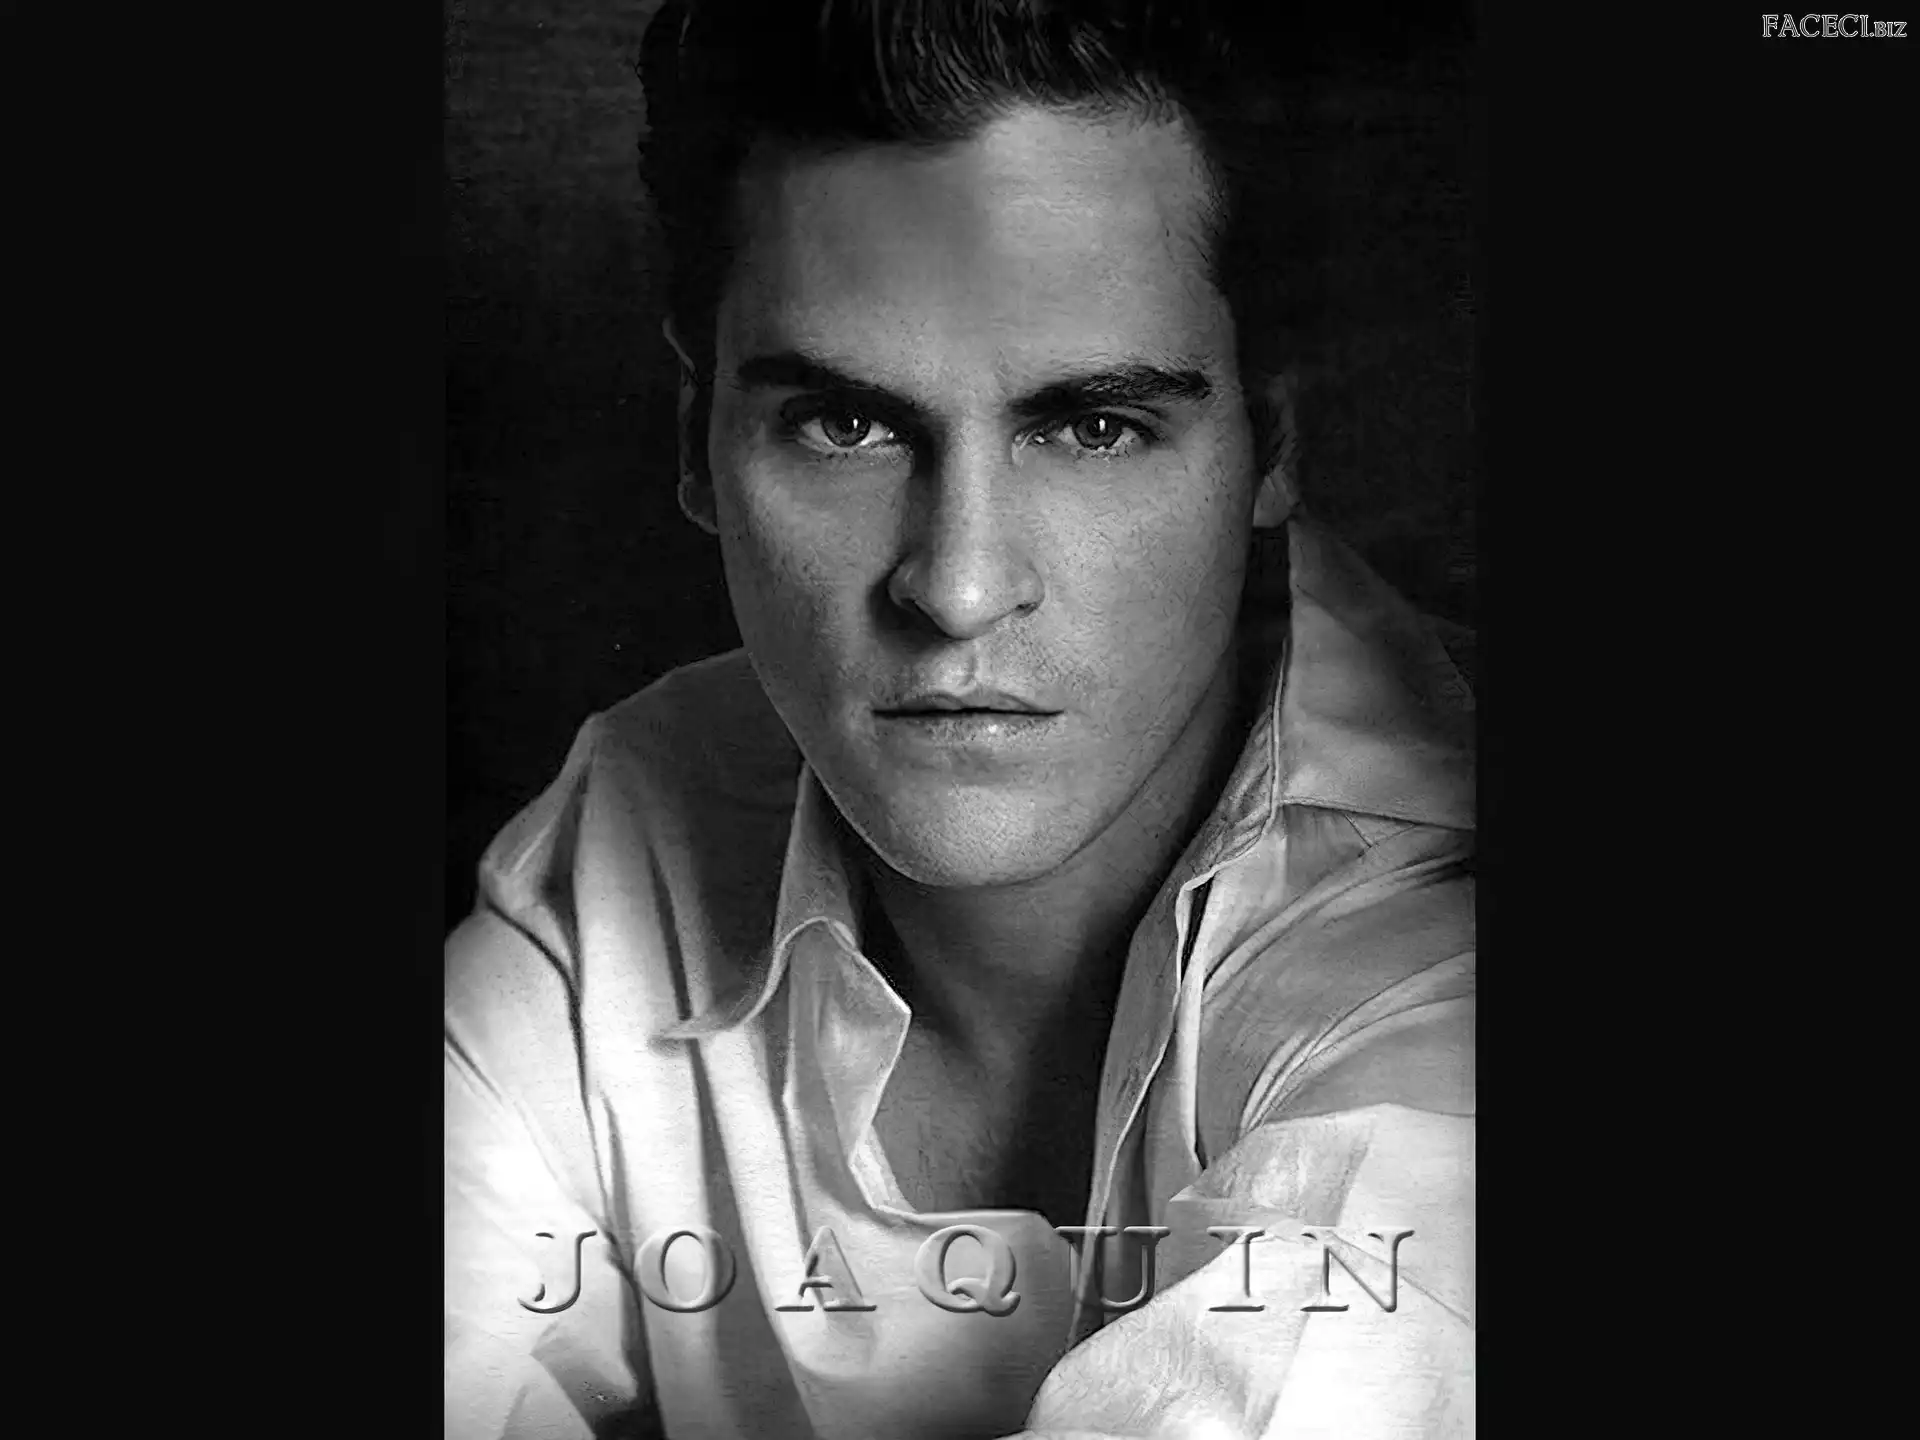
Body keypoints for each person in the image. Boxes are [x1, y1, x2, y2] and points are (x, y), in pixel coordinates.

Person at [444, 3, 1475, 1436]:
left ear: (1274, 441)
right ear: (696, 436)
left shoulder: (1445, 960)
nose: (960, 586)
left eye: (1093, 427)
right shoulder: (638, 820)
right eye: (847, 425)